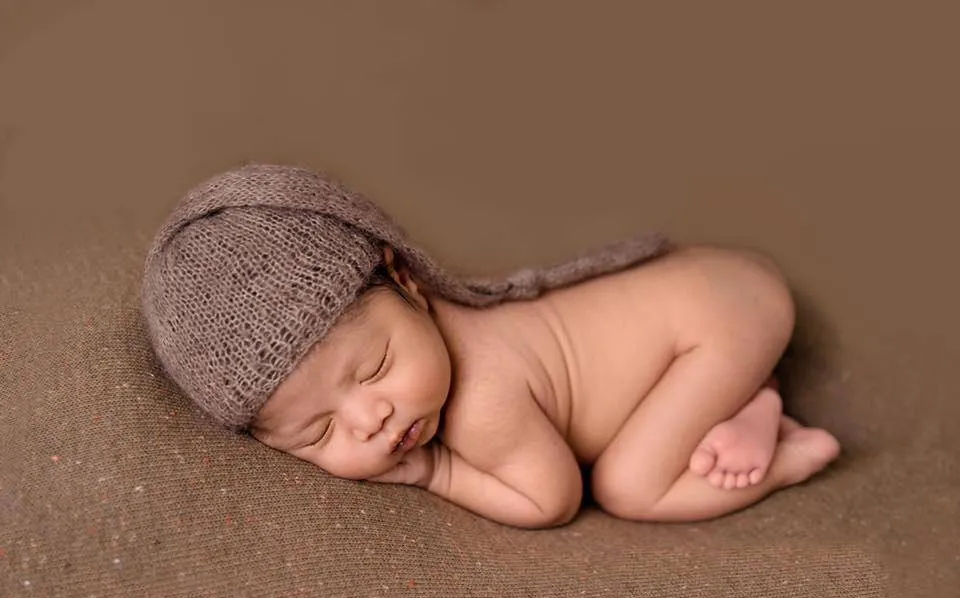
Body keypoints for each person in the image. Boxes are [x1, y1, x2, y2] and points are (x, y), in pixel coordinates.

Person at [141, 164, 840, 529]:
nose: (371, 421)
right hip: (708, 296)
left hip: (719, 319)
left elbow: (551, 500)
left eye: (375, 368)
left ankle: (786, 451)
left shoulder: (481, 404)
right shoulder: (420, 332)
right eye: (317, 432)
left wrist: (435, 475)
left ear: (410, 283)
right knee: (641, 424)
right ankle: (747, 399)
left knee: (630, 486)